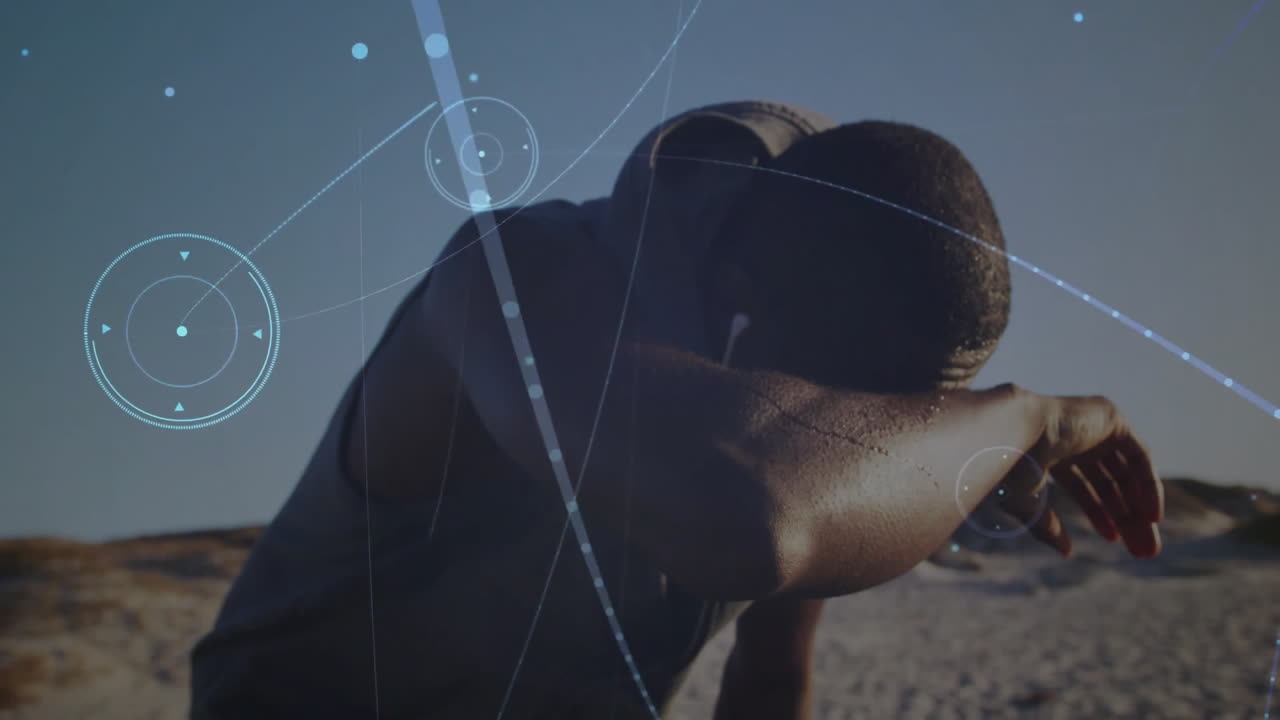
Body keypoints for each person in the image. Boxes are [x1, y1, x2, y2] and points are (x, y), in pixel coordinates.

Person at [189, 100, 1164, 720]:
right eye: (883, 400)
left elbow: (771, 677)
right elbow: (755, 516)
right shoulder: (515, 279)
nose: (887, 423)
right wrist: (1027, 418)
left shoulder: (794, 396)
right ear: (744, 301)